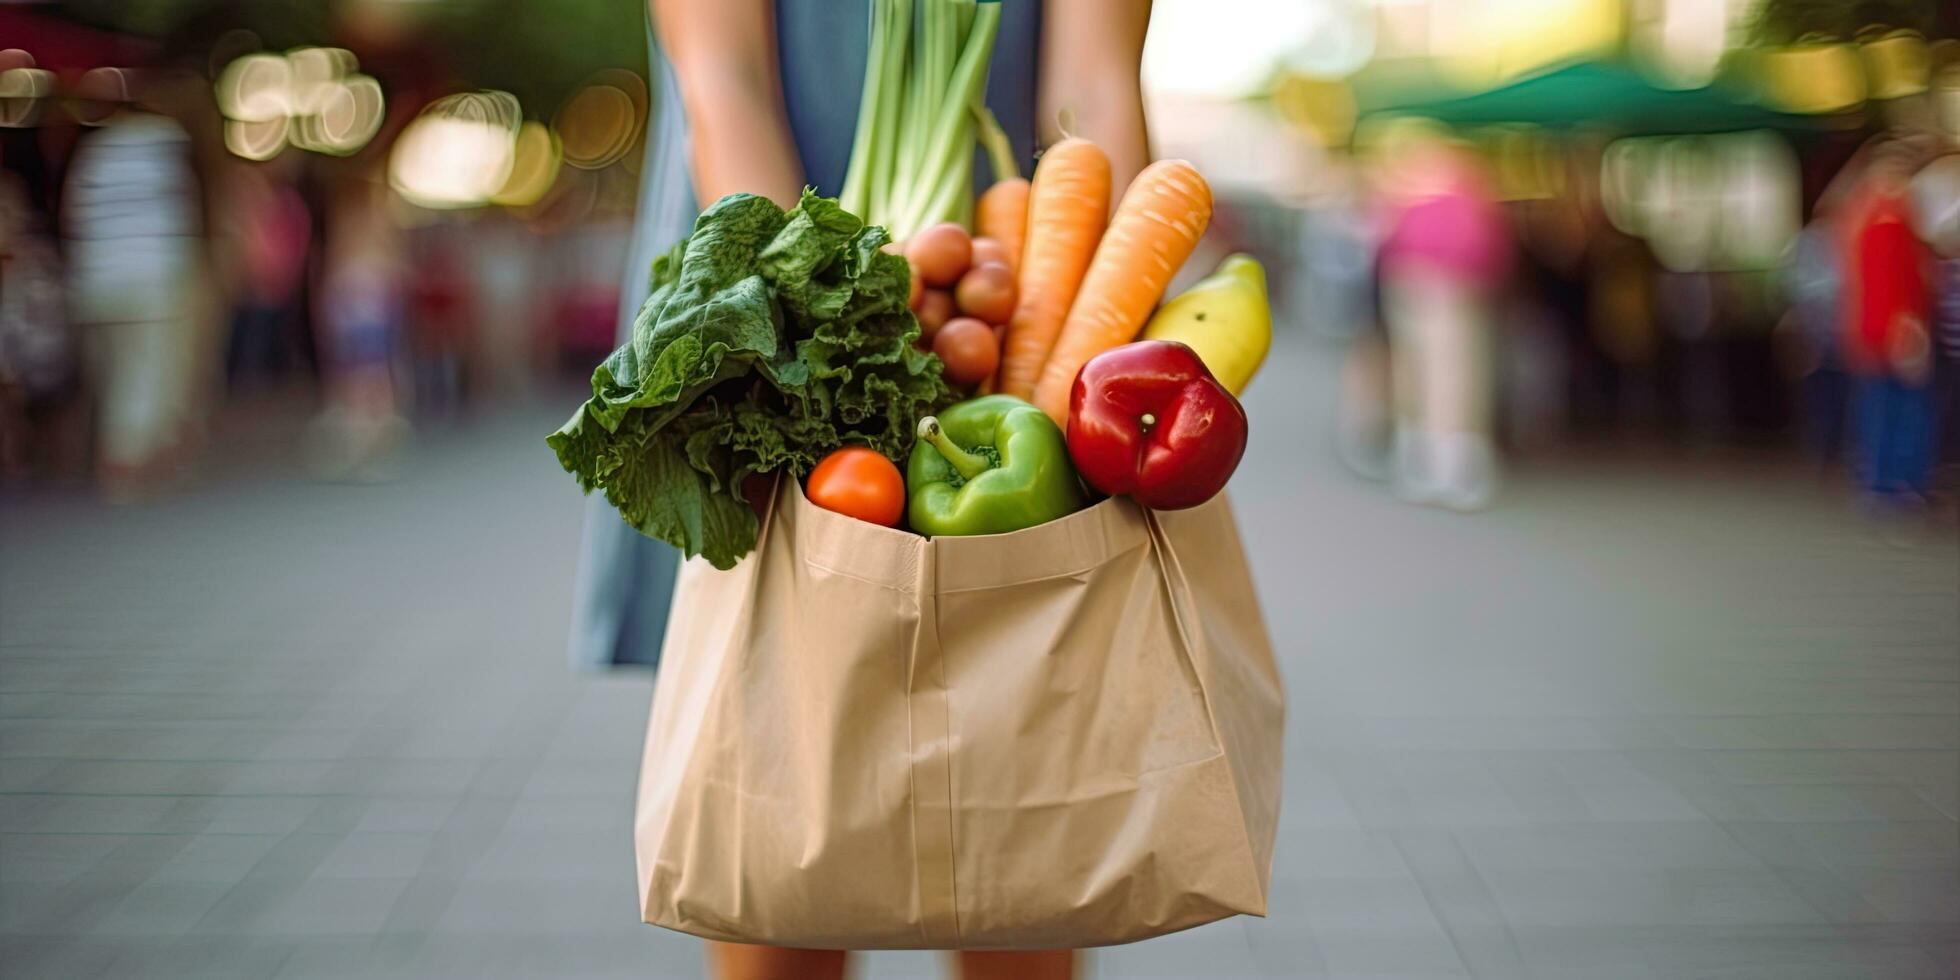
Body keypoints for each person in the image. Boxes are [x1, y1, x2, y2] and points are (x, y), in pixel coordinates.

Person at [570, 0, 1151, 975]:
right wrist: (825, 330)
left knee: (1016, 857)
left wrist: (1103, 326)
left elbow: (1089, 92)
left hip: (1013, 318)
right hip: (772, 294)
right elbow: (725, 85)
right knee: (784, 849)